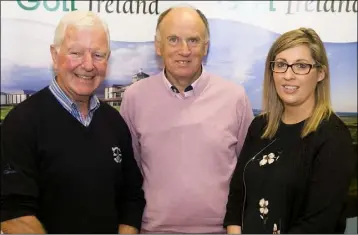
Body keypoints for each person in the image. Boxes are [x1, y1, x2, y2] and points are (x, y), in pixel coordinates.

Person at [0, 11, 145, 234]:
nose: (88, 65)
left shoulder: (114, 122)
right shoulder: (21, 123)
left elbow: (131, 198)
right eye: (76, 53)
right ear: (54, 55)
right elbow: (13, 212)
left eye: (98, 55)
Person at [120, 5, 254, 234]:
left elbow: (250, 173)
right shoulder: (134, 98)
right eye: (173, 40)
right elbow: (128, 174)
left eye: (193, 40)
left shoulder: (235, 98)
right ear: (158, 46)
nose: (184, 50)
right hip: (153, 230)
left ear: (206, 47)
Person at [224, 27, 356, 234]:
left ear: (320, 73)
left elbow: (320, 223)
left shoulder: (333, 137)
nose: (288, 75)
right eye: (281, 65)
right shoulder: (260, 126)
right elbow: (237, 196)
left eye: (301, 66)